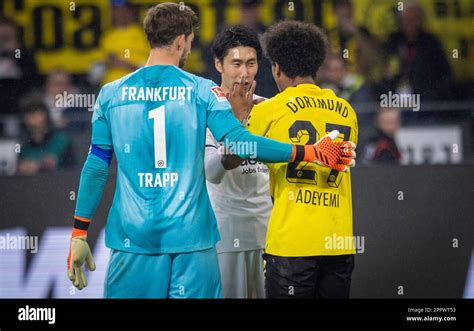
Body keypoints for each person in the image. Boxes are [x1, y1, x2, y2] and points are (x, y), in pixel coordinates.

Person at [66, 3, 355, 298]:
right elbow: (240, 143)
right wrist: (309, 152)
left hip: (133, 239)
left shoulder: (110, 93)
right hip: (192, 241)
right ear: (180, 40)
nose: (190, 49)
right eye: (190, 41)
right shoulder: (203, 91)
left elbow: (97, 165)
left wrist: (79, 232)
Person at [246, 20, 358, 298]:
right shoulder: (346, 111)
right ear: (316, 66)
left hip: (291, 244)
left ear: (277, 68)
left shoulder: (268, 111)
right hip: (339, 241)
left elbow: (238, 148)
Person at [205, 26, 269, 298]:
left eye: (251, 63)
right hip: (224, 237)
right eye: (236, 63)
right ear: (219, 64)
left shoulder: (269, 109)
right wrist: (239, 122)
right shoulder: (204, 110)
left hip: (269, 236)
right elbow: (211, 171)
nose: (244, 73)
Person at [17, 96, 76, 175]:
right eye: (29, 115)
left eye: (37, 113)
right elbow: (17, 169)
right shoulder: (21, 145)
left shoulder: (63, 139)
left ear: (46, 114)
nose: (33, 119)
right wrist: (22, 167)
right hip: (29, 185)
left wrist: (41, 166)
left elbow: (73, 169)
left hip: (58, 184)